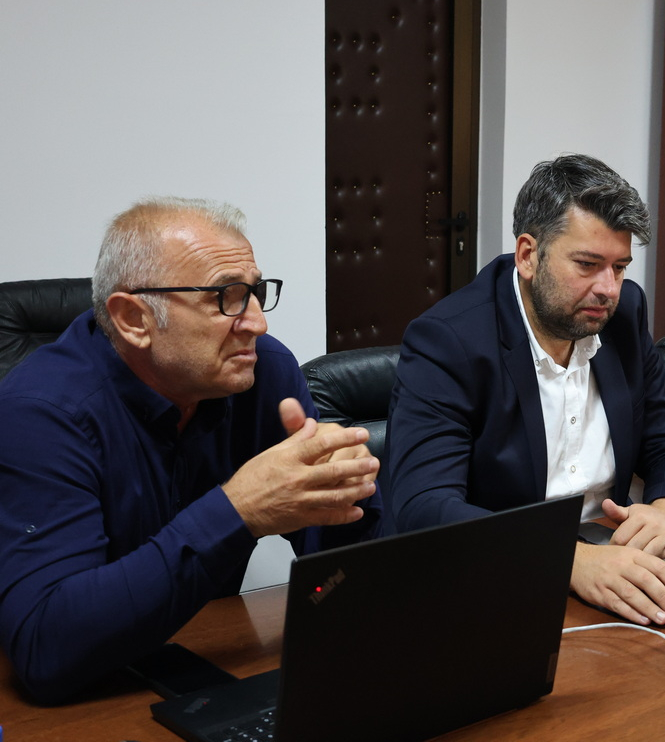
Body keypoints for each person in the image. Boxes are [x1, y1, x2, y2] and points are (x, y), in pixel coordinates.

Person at [0, 198, 382, 703]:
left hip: (212, 664)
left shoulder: (263, 372)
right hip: (85, 700)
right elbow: (45, 649)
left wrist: (346, 504)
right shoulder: (39, 412)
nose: (257, 324)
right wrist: (239, 510)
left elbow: (345, 584)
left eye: (255, 293)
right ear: (133, 319)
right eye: (226, 297)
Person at [386, 154, 665, 628]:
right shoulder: (448, 341)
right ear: (528, 255)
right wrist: (566, 559)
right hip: (493, 588)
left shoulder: (623, 315)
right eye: (588, 264)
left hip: (613, 563)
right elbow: (425, 507)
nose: (608, 288)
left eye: (620, 267)